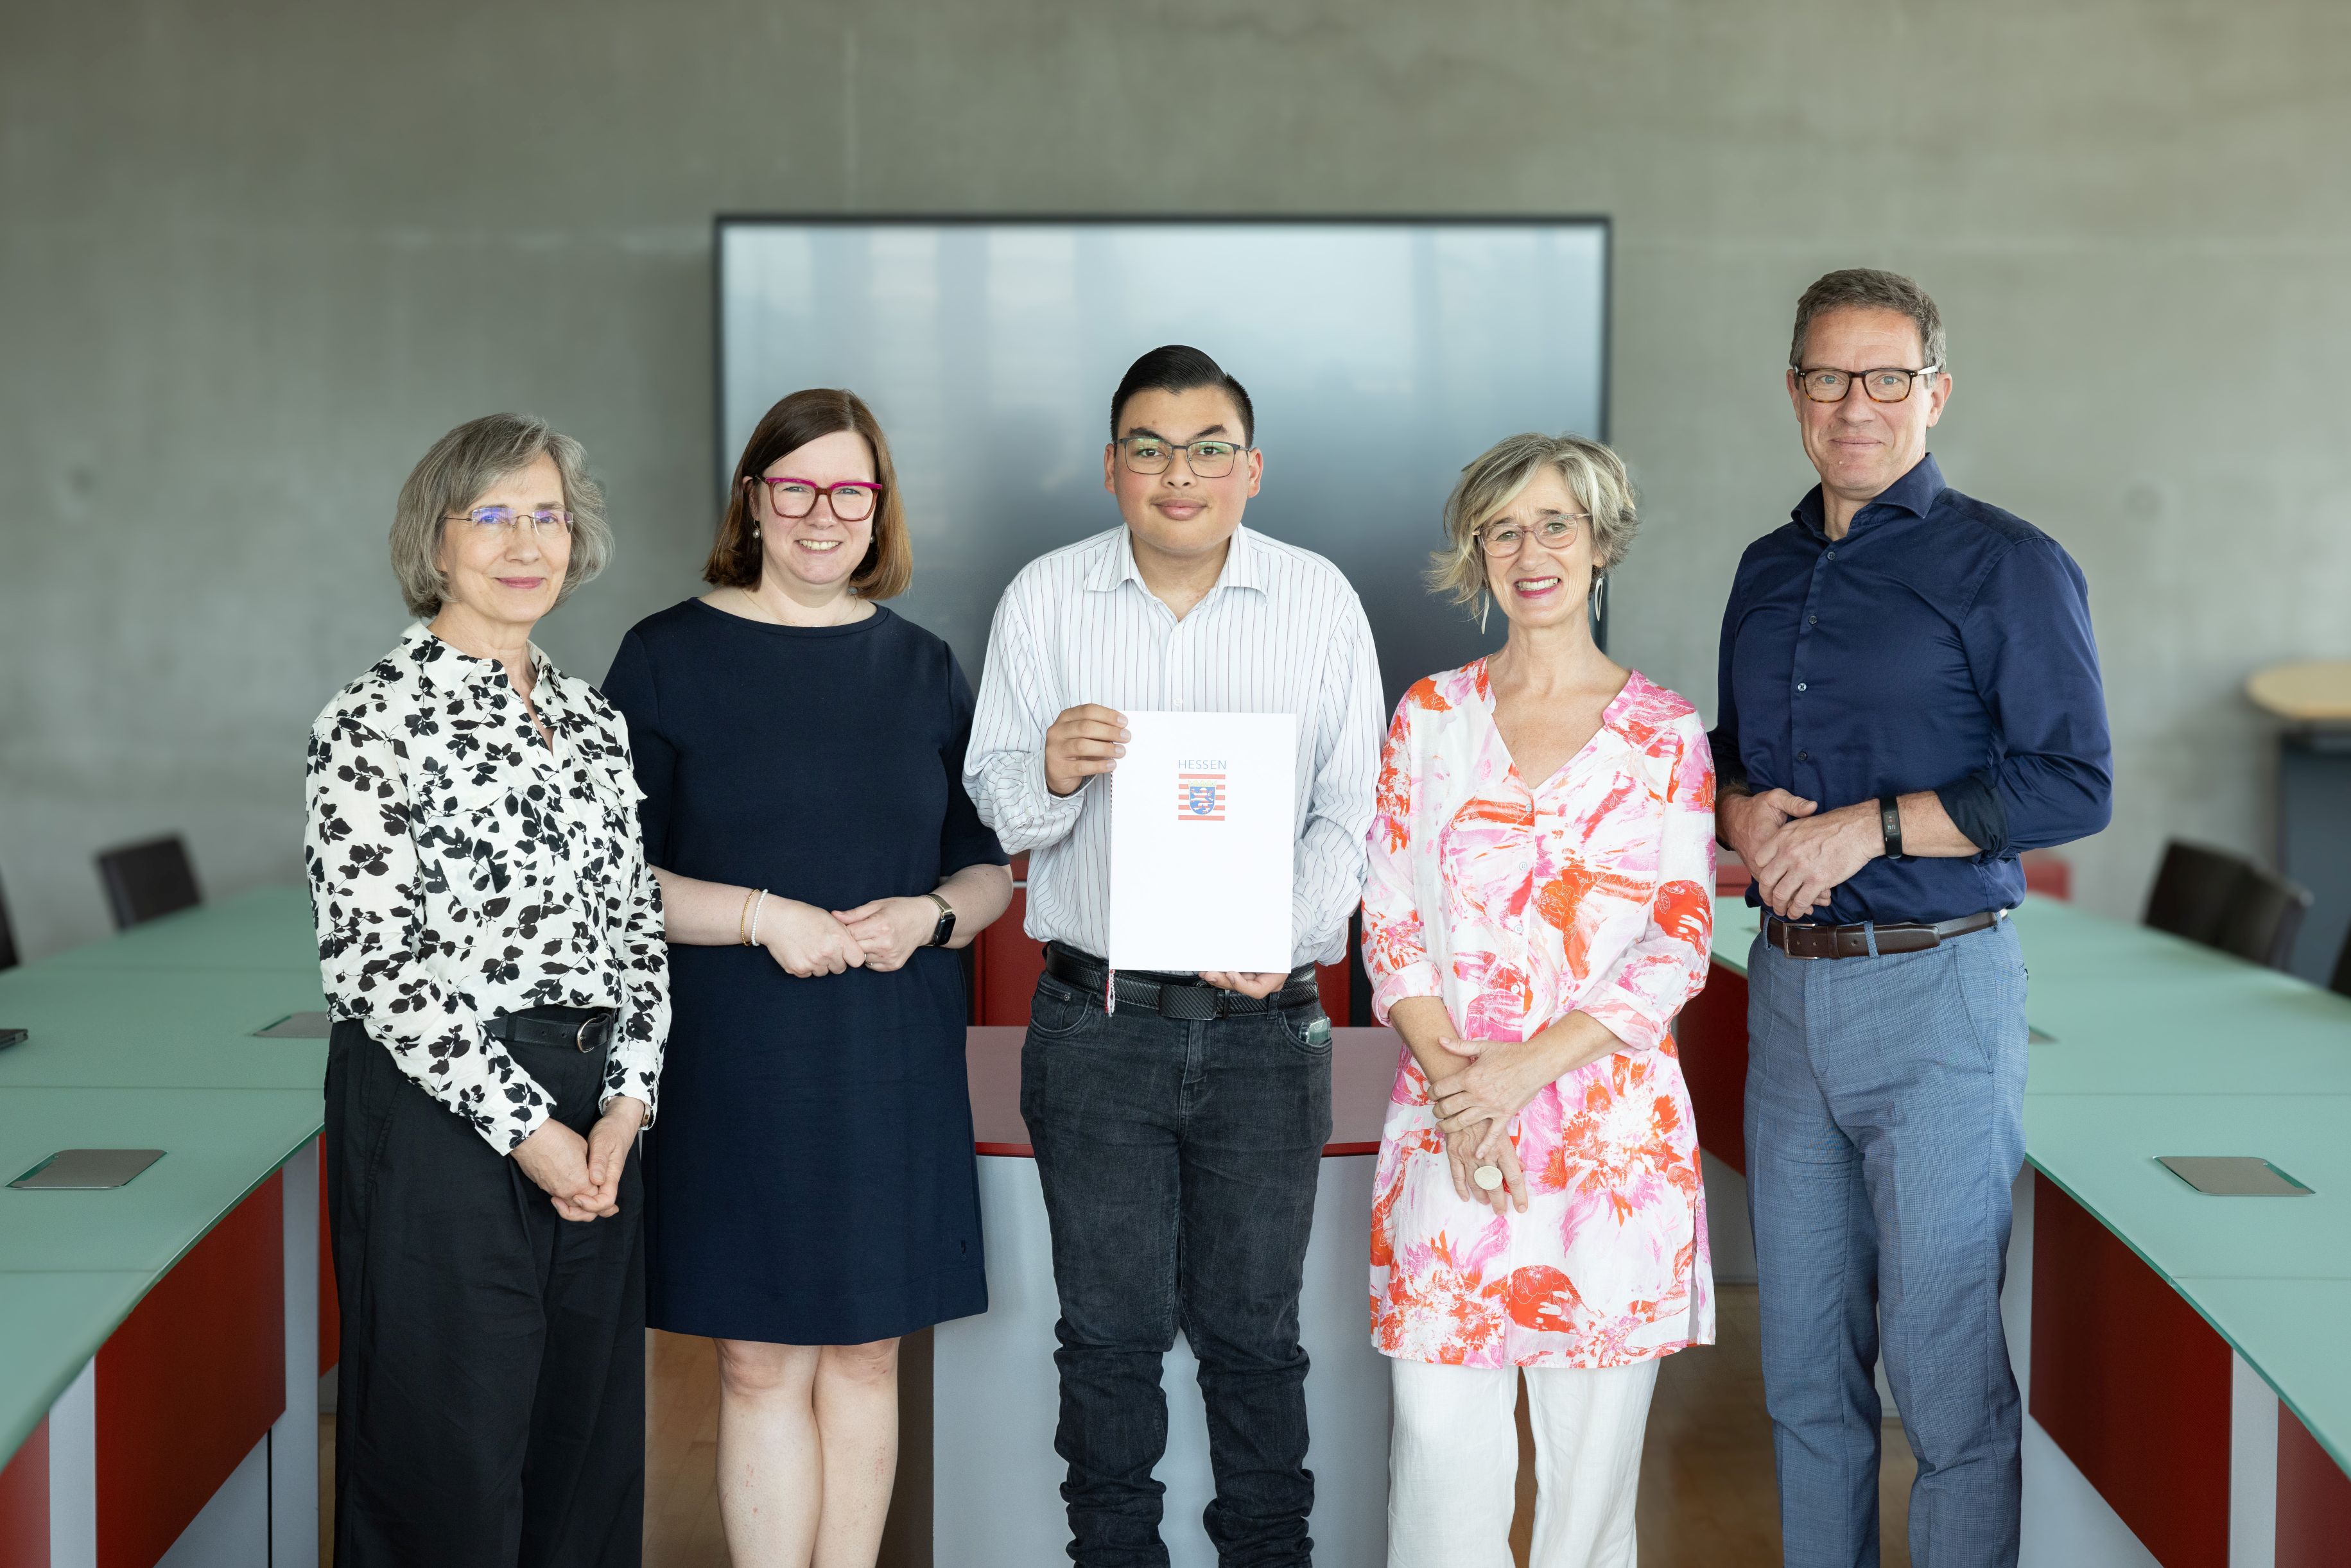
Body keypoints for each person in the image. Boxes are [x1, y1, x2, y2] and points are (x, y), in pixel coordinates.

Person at [1712, 269, 2112, 1567]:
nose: (1856, 405)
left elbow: (2073, 783)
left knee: (1943, 1385)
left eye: (1886, 377)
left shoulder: (2007, 565)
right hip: (1788, 997)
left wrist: (1870, 827)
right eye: (1829, 376)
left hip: (1937, 997)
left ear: (1935, 392)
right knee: (1803, 1378)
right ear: (1793, 391)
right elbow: (1731, 753)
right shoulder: (1766, 569)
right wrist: (1738, 811)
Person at [964, 345, 1383, 1566]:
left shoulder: (1317, 600)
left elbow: (1353, 814)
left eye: (1208, 449)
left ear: (1251, 468)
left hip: (1266, 1030)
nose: (1179, 474)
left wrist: (1280, 935)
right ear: (1111, 468)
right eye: (1149, 449)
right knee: (1105, 1339)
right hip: (1096, 1026)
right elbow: (998, 799)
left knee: (1256, 1340)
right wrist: (1050, 769)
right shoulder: (1046, 597)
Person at [601, 387, 1012, 1568]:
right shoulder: (664, 656)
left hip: (890, 1055)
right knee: (756, 1359)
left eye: (848, 490)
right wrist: (760, 916)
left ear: (878, 507)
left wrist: (930, 916)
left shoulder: (923, 666)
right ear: (752, 500)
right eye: (795, 488)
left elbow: (986, 872)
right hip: (735, 1055)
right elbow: (610, 879)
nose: (822, 514)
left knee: (872, 1352)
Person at [305, 413, 668, 1567]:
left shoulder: (594, 721)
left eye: (546, 516)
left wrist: (625, 1106)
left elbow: (637, 929)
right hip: (440, 1113)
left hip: (595, 1113)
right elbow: (374, 966)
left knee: (585, 1452)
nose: (525, 544)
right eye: (492, 517)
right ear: (438, 540)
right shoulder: (371, 719)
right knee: (444, 1460)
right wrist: (530, 1133)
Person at [1361, 433, 1717, 1568]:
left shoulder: (1665, 734)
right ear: (1476, 553)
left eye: (1555, 524)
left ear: (1600, 543)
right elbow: (1389, 920)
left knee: (1588, 1474)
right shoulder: (1429, 716)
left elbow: (1677, 943)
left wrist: (1514, 1077)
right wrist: (1466, 1094)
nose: (1530, 552)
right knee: (1436, 1441)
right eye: (1502, 530)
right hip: (1450, 1124)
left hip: (1609, 1147)